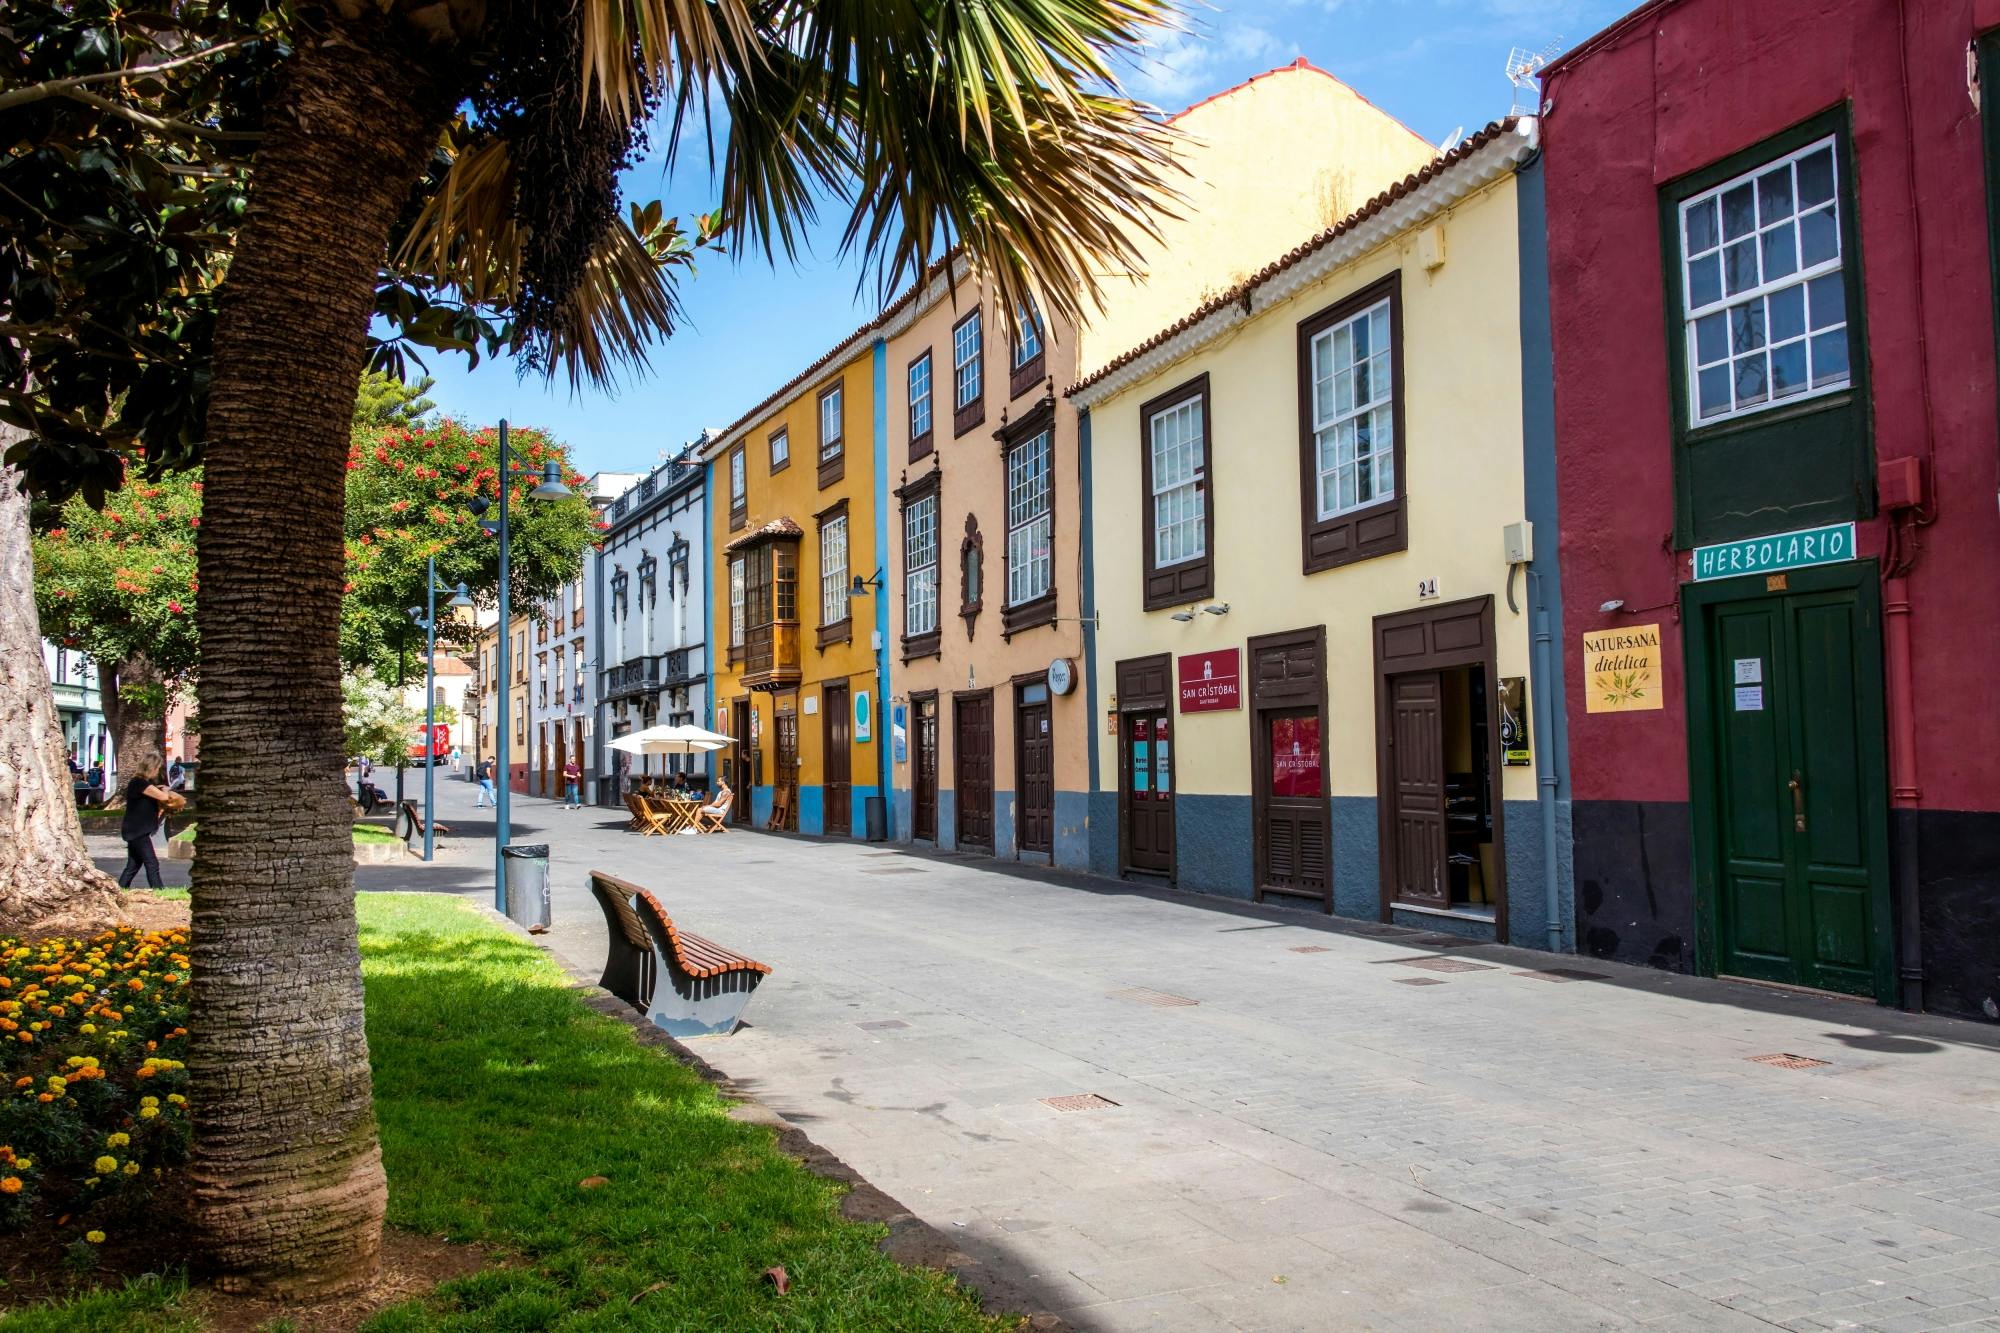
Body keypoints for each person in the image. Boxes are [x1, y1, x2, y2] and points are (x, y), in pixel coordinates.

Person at [117, 758, 176, 890]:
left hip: (135, 830)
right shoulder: (139, 783)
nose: (157, 772)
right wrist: (166, 789)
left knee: (133, 865)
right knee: (152, 863)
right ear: (151, 768)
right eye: (157, 769)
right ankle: (158, 890)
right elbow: (164, 797)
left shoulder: (142, 783)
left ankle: (121, 888)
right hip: (137, 831)